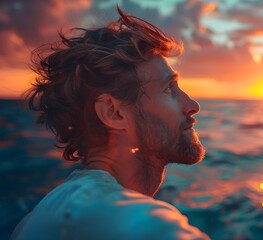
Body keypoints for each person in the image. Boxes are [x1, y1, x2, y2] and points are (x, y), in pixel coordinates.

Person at [11, 6, 209, 240]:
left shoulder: (37, 217)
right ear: (113, 113)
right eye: (168, 89)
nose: (192, 104)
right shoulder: (140, 225)